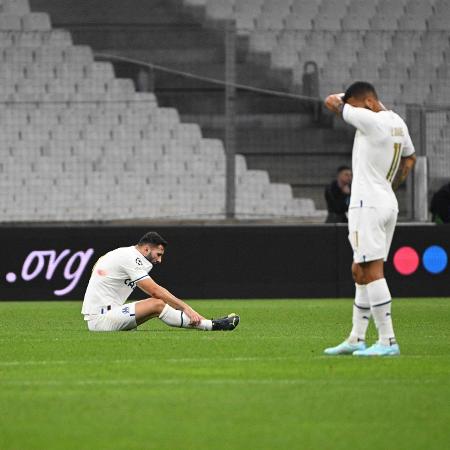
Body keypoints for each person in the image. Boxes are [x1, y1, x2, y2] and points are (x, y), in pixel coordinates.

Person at [323, 81, 416, 356]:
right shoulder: (397, 121)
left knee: (372, 271)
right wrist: (389, 185)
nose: (352, 112)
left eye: (356, 106)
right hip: (387, 202)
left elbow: (331, 101)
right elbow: (410, 159)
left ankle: (387, 341)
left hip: (367, 205)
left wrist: (347, 100)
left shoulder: (368, 118)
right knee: (359, 270)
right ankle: (356, 338)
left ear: (367, 103)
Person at [81, 231, 240, 332]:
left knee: (155, 308)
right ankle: (211, 325)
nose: (160, 260)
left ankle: (206, 322)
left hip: (108, 313)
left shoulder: (125, 254)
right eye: (158, 254)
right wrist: (187, 308)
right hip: (101, 319)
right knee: (156, 303)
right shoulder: (130, 257)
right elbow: (155, 291)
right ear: (146, 249)